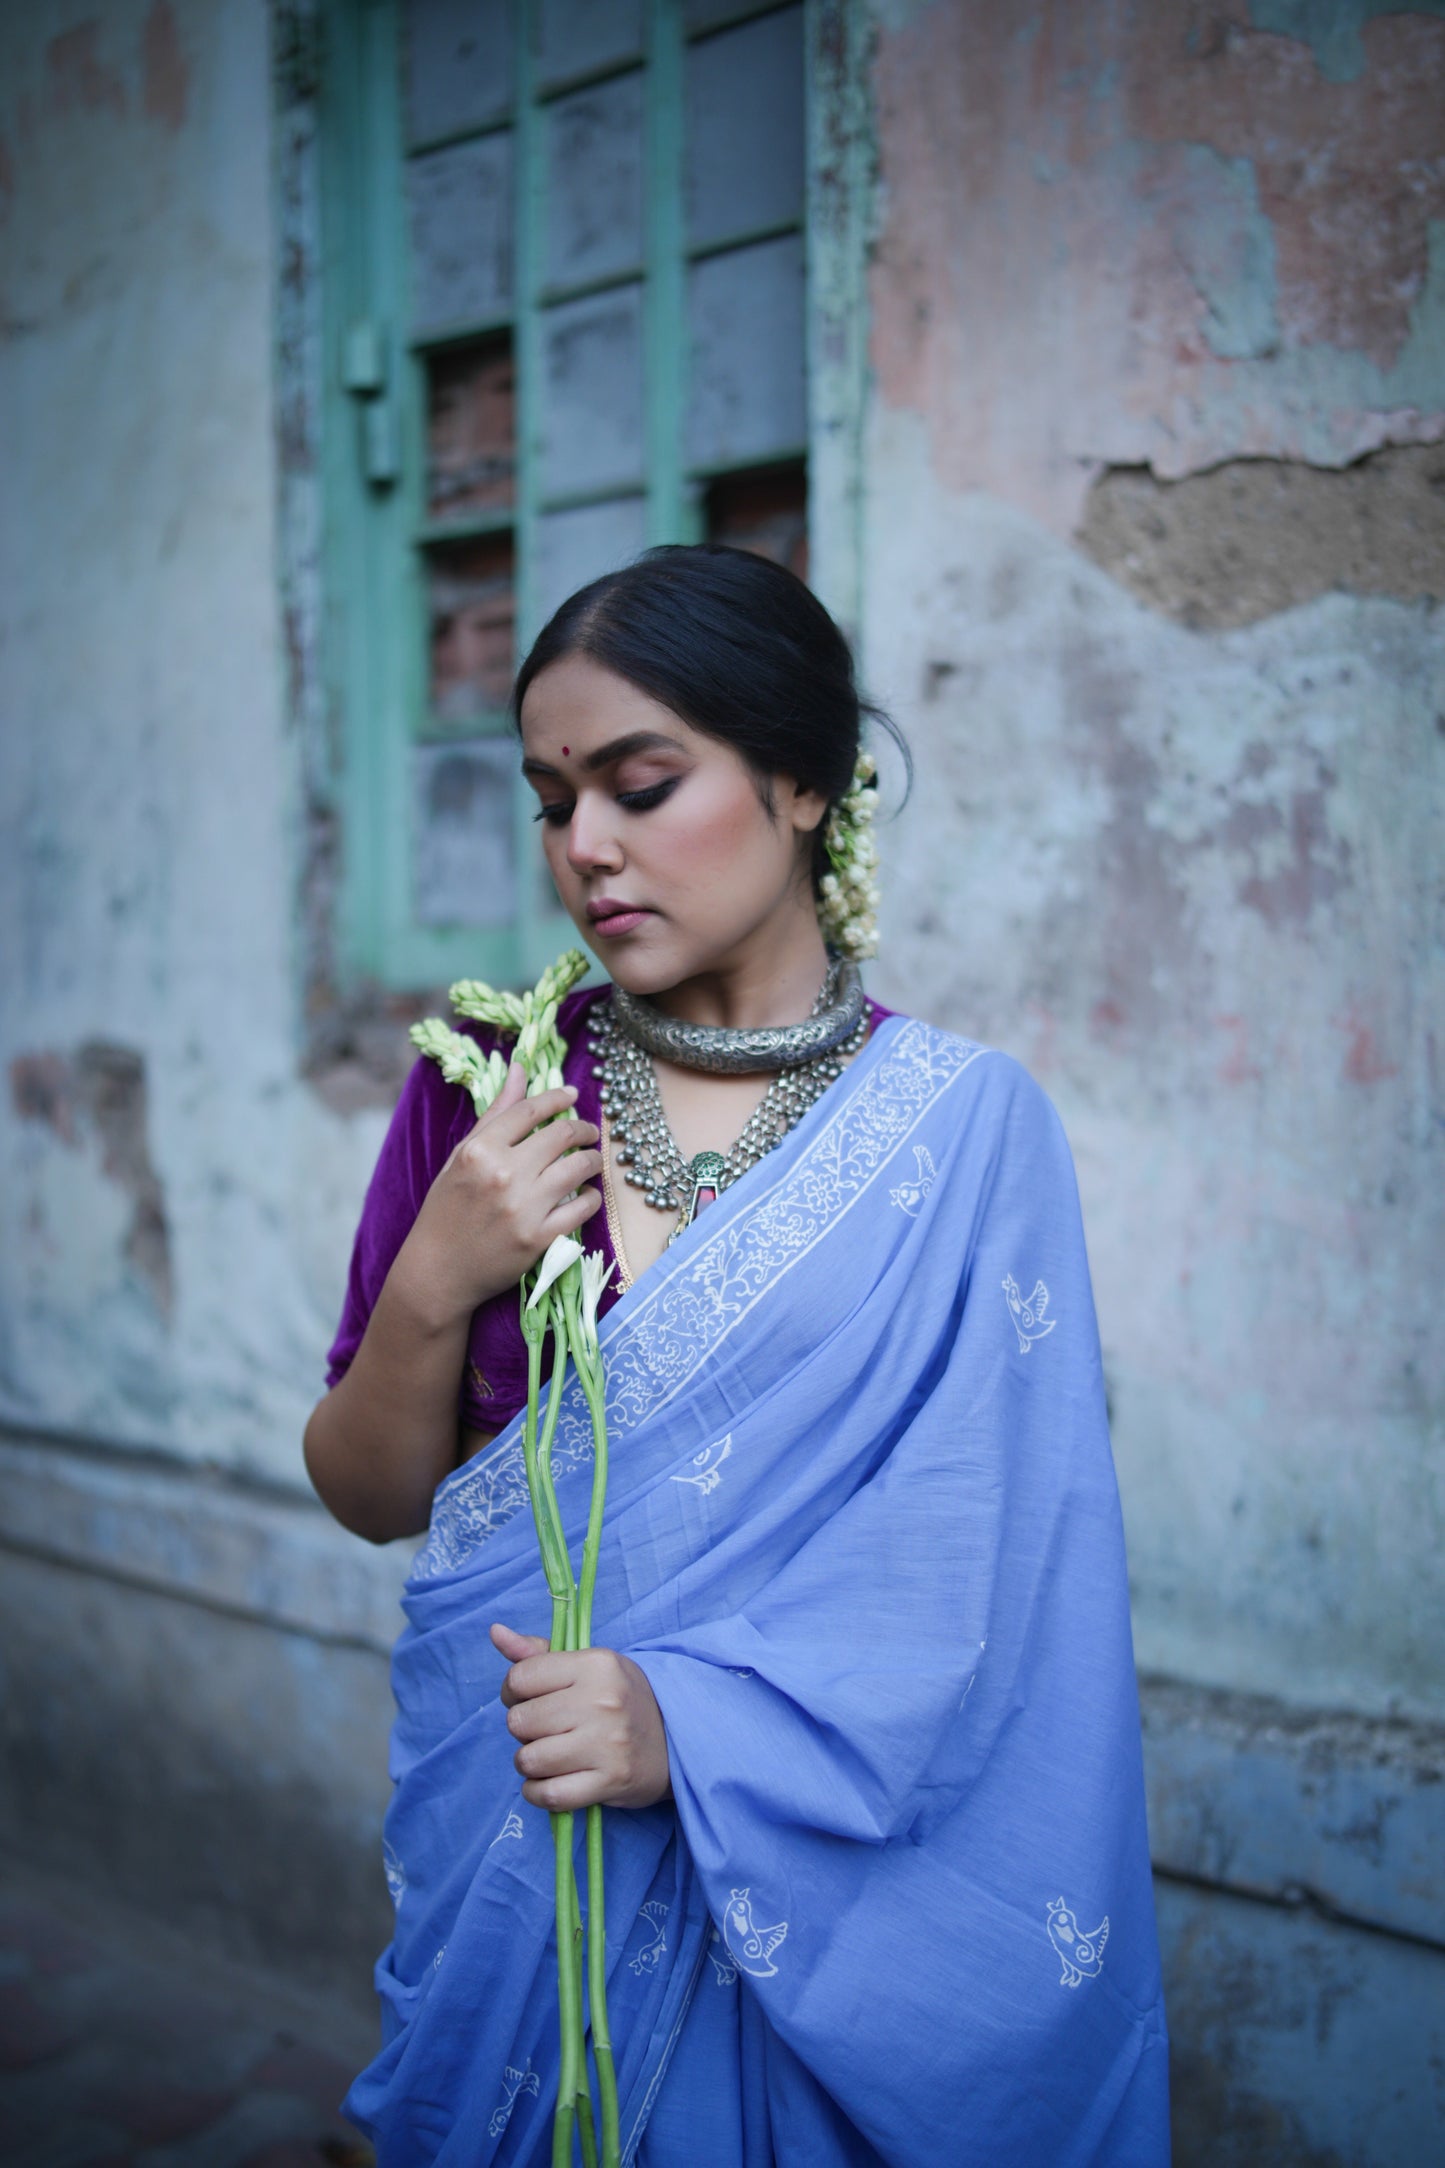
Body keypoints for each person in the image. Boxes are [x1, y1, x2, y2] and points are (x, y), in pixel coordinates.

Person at [304, 545, 1169, 2166]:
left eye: (641, 784)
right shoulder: (489, 1090)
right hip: (510, 1858)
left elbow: (988, 1584)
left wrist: (689, 1731)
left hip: (804, 1885)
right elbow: (368, 1498)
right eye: (552, 800)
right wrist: (435, 1277)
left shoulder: (964, 1133)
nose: (588, 848)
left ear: (801, 784)